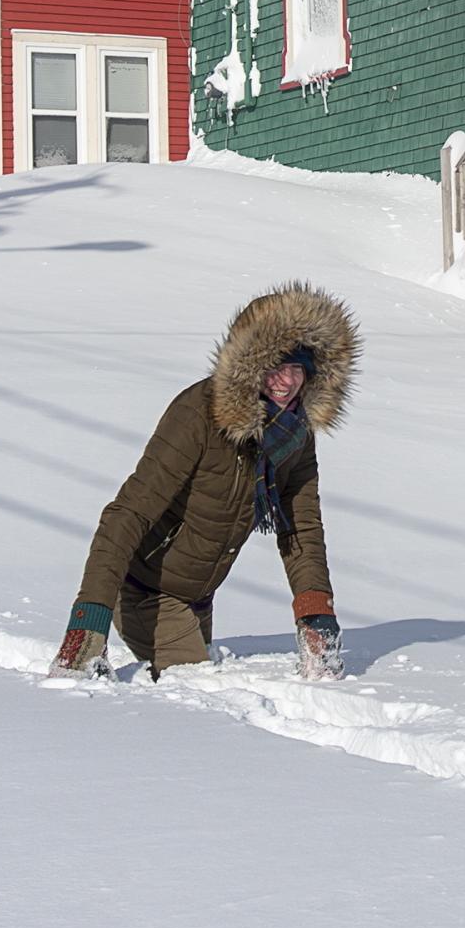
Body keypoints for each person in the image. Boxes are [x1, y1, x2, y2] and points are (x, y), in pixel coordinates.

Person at [49, 283, 356, 681]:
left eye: (297, 368)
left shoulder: (294, 433)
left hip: (198, 600)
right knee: (195, 687)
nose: (286, 380)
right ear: (250, 365)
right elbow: (127, 513)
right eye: (275, 366)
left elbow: (301, 528)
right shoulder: (197, 415)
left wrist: (316, 616)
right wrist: (89, 624)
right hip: (144, 590)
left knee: (199, 682)